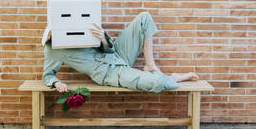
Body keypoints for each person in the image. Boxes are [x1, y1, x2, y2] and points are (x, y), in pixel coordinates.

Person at [42, 11, 199, 93]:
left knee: (144, 17)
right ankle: (172, 78)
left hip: (116, 54)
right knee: (158, 83)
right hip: (109, 72)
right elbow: (48, 75)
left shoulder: (81, 26)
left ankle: (150, 66)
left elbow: (107, 49)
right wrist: (56, 83)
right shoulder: (52, 49)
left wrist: (103, 38)